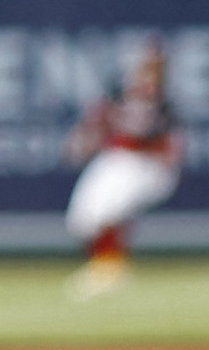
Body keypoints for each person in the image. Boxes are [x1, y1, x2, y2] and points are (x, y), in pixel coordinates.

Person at [62, 43, 183, 298]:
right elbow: (92, 128)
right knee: (82, 220)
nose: (147, 76)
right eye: (144, 69)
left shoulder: (164, 106)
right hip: (114, 160)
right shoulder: (117, 96)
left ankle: (109, 271)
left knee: (110, 212)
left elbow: (171, 149)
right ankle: (105, 267)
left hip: (143, 165)